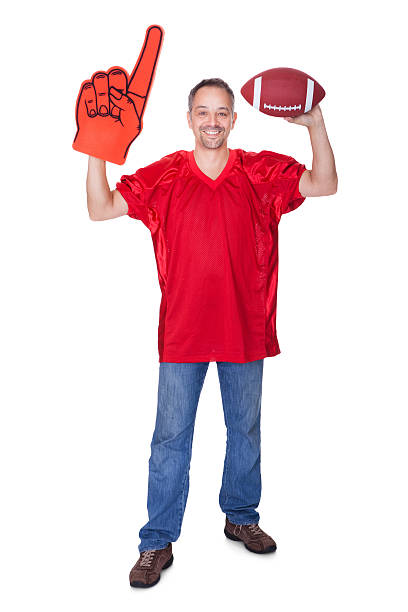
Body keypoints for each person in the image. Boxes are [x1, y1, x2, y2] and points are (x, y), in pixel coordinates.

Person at [86, 77, 337, 588]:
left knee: (244, 431)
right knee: (169, 440)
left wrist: (315, 125)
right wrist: (95, 149)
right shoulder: (167, 175)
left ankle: (240, 515)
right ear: (189, 119)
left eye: (222, 113)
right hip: (182, 332)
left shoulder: (259, 171)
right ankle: (156, 542)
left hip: (245, 327)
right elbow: (100, 207)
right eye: (204, 112)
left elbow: (324, 183)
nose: (213, 122)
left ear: (234, 120)